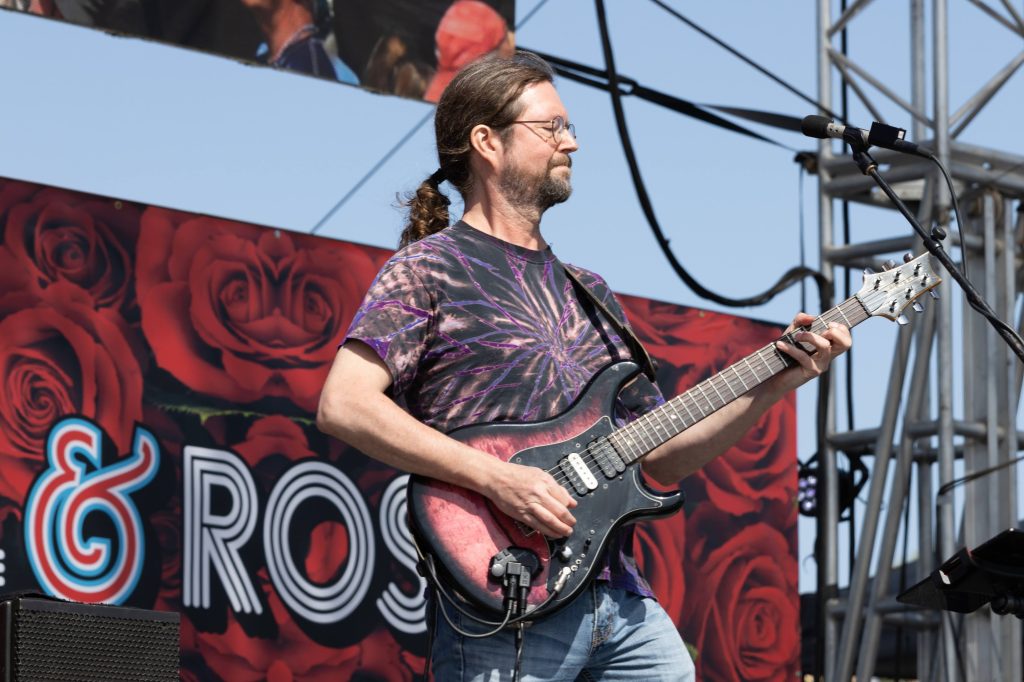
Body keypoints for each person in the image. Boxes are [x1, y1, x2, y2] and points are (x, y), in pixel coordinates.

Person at [317, 50, 851, 681]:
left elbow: (659, 456)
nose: (571, 142)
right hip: (509, 594)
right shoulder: (429, 268)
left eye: (568, 127)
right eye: (551, 127)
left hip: (619, 596)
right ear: (487, 142)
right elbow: (344, 405)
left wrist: (778, 379)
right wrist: (498, 480)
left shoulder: (589, 290)